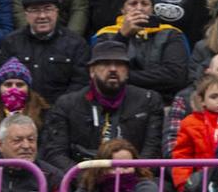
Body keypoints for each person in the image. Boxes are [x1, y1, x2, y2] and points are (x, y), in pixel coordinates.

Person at [41, 40, 163, 170]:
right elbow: (56, 153)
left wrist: (133, 174)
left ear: (127, 72)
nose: (113, 69)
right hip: (84, 181)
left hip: (134, 178)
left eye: (119, 64)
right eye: (105, 64)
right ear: (92, 71)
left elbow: (152, 149)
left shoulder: (148, 101)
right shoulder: (67, 104)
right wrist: (86, 179)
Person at [92, 0, 190, 99]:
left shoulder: (171, 34)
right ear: (122, 9)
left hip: (162, 100)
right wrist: (122, 36)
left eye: (145, 4)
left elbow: (176, 77)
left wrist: (124, 76)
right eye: (133, 4)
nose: (139, 8)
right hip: (118, 99)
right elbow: (102, 74)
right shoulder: (106, 34)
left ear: (152, 9)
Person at [0, 0, 90, 104]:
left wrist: (61, 109)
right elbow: (3, 82)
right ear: (26, 14)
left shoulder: (75, 43)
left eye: (48, 9)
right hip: (22, 110)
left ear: (57, 12)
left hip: (61, 111)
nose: (42, 16)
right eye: (35, 10)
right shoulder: (12, 42)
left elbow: (80, 84)